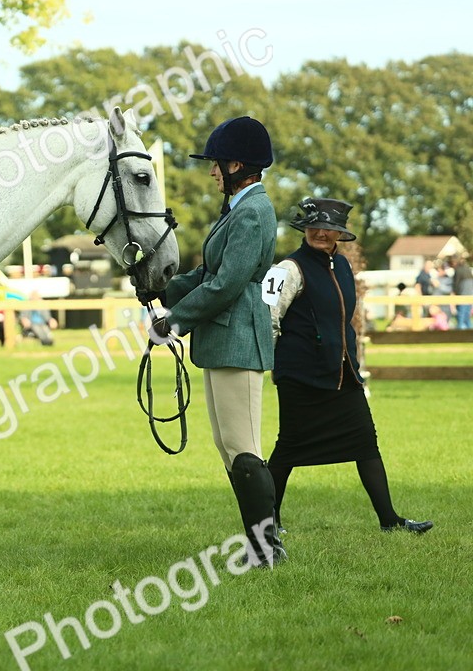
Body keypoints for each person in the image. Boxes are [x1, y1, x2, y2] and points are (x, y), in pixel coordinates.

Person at [153, 115, 285, 567]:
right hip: (223, 339)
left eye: (217, 163)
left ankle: (267, 548)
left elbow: (227, 284)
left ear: (238, 165)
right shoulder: (237, 209)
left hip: (239, 338)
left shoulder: (252, 211)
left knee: (244, 449)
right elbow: (208, 273)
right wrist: (161, 290)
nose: (211, 171)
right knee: (229, 447)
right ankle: (259, 544)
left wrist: (173, 322)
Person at [268, 198, 432, 534]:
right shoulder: (288, 269)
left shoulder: (342, 266)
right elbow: (267, 318)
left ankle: (390, 521)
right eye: (314, 226)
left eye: (328, 228)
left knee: (365, 442)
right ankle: (267, 524)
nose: (321, 233)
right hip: (300, 377)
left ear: (339, 233)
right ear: (305, 229)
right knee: (288, 449)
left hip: (344, 374)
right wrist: (270, 363)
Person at [453, 255, 473, 330]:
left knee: (461, 313)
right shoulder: (467, 268)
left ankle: (460, 328)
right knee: (467, 314)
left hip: (463, 293)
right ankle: (469, 328)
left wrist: (455, 293)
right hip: (470, 293)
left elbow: (456, 283)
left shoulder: (458, 269)